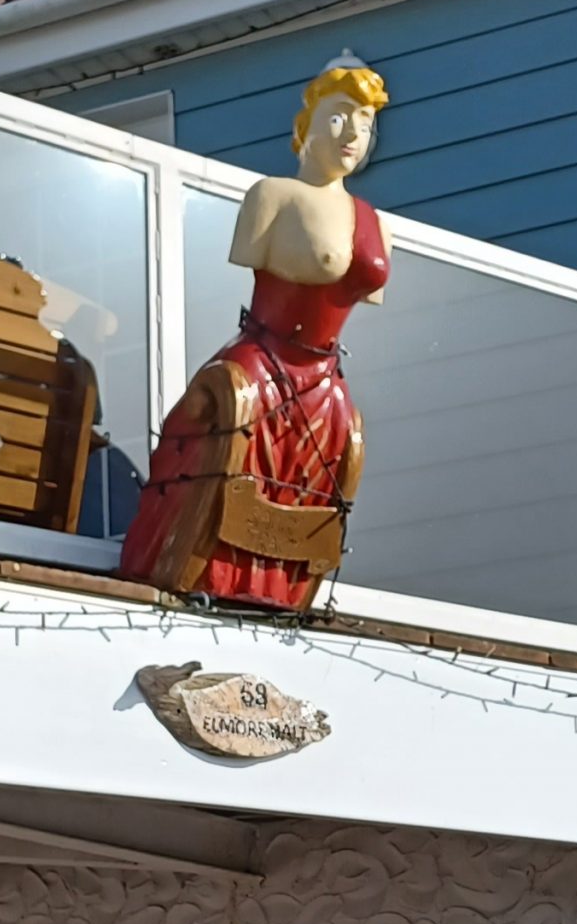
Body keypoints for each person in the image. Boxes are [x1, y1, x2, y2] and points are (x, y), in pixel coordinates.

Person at [118, 58, 391, 610]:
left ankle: (281, 589)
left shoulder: (374, 219)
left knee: (329, 466)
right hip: (264, 364)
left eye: (364, 123)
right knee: (231, 448)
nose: (353, 135)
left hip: (323, 378)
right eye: (339, 117)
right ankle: (212, 572)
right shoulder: (273, 197)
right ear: (305, 125)